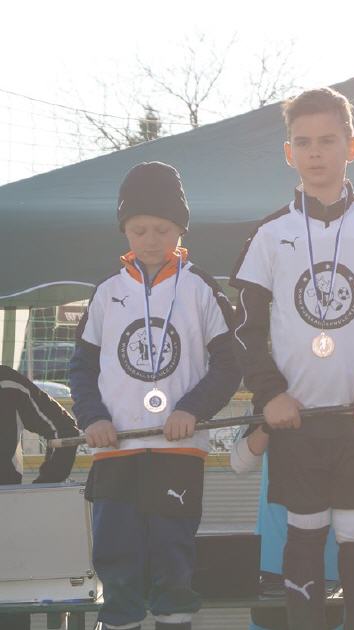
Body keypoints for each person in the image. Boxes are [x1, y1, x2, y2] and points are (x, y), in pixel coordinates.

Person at [229, 87, 354, 630]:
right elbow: (243, 326)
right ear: (288, 153)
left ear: (351, 147)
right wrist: (270, 394)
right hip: (296, 423)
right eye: (303, 143)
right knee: (304, 541)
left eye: (328, 141)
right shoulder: (269, 234)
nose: (315, 153)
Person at [69, 161, 241, 630]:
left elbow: (230, 363)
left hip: (177, 450)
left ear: (181, 228)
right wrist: (93, 417)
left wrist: (193, 408)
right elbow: (81, 367)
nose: (150, 240)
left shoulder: (201, 287)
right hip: (115, 450)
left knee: (172, 557)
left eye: (162, 229)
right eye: (139, 229)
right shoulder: (107, 292)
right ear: (124, 230)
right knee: (116, 557)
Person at [229, 424, 344, 630]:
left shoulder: (349, 405)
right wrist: (268, 424)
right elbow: (239, 462)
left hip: (332, 567)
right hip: (273, 565)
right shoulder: (268, 404)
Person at [0, 365, 79, 630]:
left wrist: (40, 492)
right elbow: (65, 430)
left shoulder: (8, 383)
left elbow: (64, 431)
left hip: (8, 532)